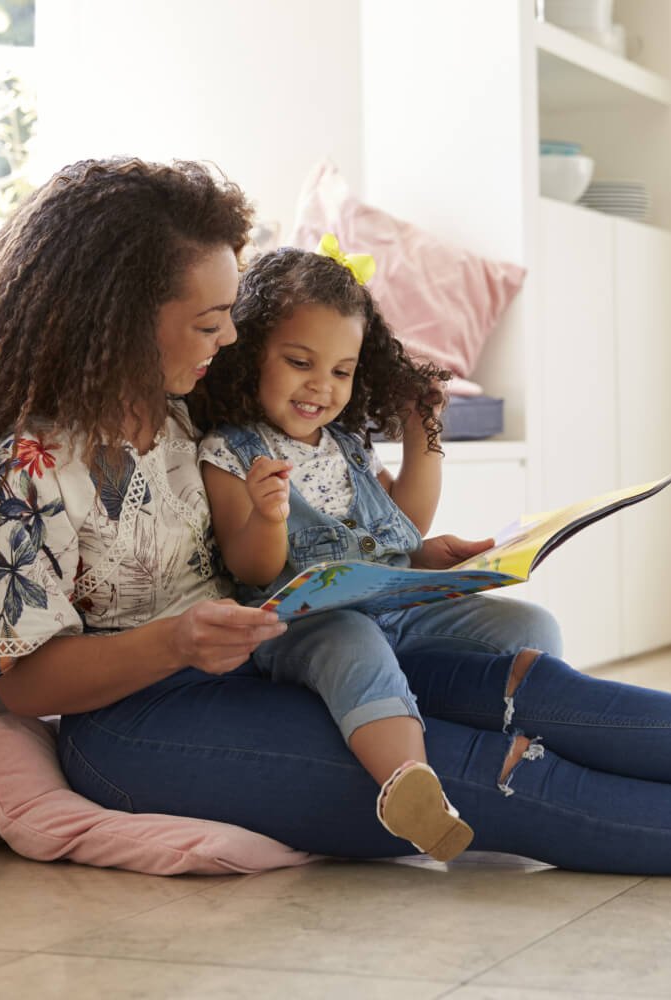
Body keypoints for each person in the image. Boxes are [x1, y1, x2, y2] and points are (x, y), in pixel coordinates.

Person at [0, 156, 671, 876]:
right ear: (118, 320)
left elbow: (315, 517)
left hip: (281, 659)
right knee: (502, 774)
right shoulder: (23, 470)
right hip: (142, 726)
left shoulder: (190, 423)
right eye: (207, 320)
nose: (229, 338)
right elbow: (25, 677)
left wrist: (411, 566)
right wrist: (175, 640)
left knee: (548, 695)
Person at [192, 240, 482, 861]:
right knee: (350, 639)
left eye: (341, 372)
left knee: (522, 622)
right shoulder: (231, 450)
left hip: (390, 608)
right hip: (300, 627)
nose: (321, 387)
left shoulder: (346, 445)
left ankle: (491, 716)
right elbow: (251, 569)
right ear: (249, 355)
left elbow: (399, 523)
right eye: (300, 362)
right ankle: (409, 786)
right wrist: (269, 516)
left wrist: (421, 432)